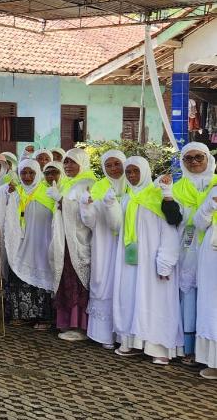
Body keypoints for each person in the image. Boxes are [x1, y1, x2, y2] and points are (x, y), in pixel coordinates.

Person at [112, 157, 181, 365]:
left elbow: (170, 231)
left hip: (153, 262)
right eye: (128, 172)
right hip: (131, 260)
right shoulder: (127, 197)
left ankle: (158, 347)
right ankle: (133, 342)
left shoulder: (157, 195)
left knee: (155, 300)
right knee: (130, 297)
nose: (132, 175)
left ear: (145, 171)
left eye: (136, 171)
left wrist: (165, 262)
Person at [171, 142, 216, 365]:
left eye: (199, 157)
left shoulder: (215, 184)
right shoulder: (177, 189)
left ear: (208, 159)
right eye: (188, 158)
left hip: (212, 248)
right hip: (187, 245)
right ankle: (189, 348)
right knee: (188, 293)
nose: (194, 162)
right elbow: (174, 219)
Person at [48, 148, 96, 342]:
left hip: (77, 242)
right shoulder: (69, 183)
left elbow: (86, 213)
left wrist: (61, 200)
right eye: (66, 162)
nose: (67, 166)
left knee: (77, 281)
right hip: (65, 241)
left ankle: (80, 326)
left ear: (82, 163)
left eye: (72, 162)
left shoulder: (88, 183)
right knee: (65, 279)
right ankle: (67, 322)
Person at [80, 150, 126, 348]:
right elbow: (90, 222)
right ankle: (104, 334)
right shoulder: (98, 188)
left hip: (126, 244)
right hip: (104, 243)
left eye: (117, 164)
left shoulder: (133, 185)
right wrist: (86, 206)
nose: (113, 168)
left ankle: (125, 338)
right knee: (105, 283)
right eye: (108, 165)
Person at [1, 160, 56, 328]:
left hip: (41, 243)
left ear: (38, 173)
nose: (27, 177)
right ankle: (20, 315)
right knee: (18, 274)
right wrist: (7, 194)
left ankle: (43, 318)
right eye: (23, 173)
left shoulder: (48, 193)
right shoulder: (15, 192)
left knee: (41, 276)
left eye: (31, 173)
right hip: (20, 243)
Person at [194, 174, 217, 378]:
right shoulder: (214, 189)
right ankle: (214, 362)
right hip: (212, 256)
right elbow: (199, 223)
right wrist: (210, 206)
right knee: (211, 306)